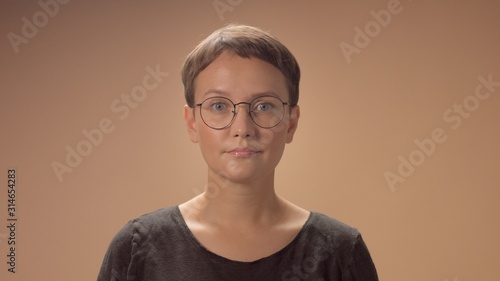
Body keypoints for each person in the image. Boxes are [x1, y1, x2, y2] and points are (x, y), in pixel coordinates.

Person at [97, 24, 378, 281]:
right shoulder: (137, 250)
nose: (242, 128)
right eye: (219, 106)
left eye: (264, 106)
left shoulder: (340, 252)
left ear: (291, 123)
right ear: (192, 123)